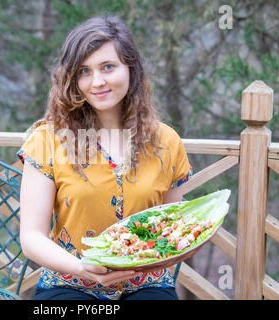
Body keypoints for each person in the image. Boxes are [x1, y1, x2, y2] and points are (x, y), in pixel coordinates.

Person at [17, 15, 192, 300]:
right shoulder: (47, 140)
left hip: (146, 283)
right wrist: (83, 268)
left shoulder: (166, 142)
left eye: (108, 67)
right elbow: (31, 238)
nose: (97, 82)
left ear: (131, 70)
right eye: (84, 71)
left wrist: (176, 249)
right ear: (71, 79)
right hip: (69, 281)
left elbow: (172, 229)